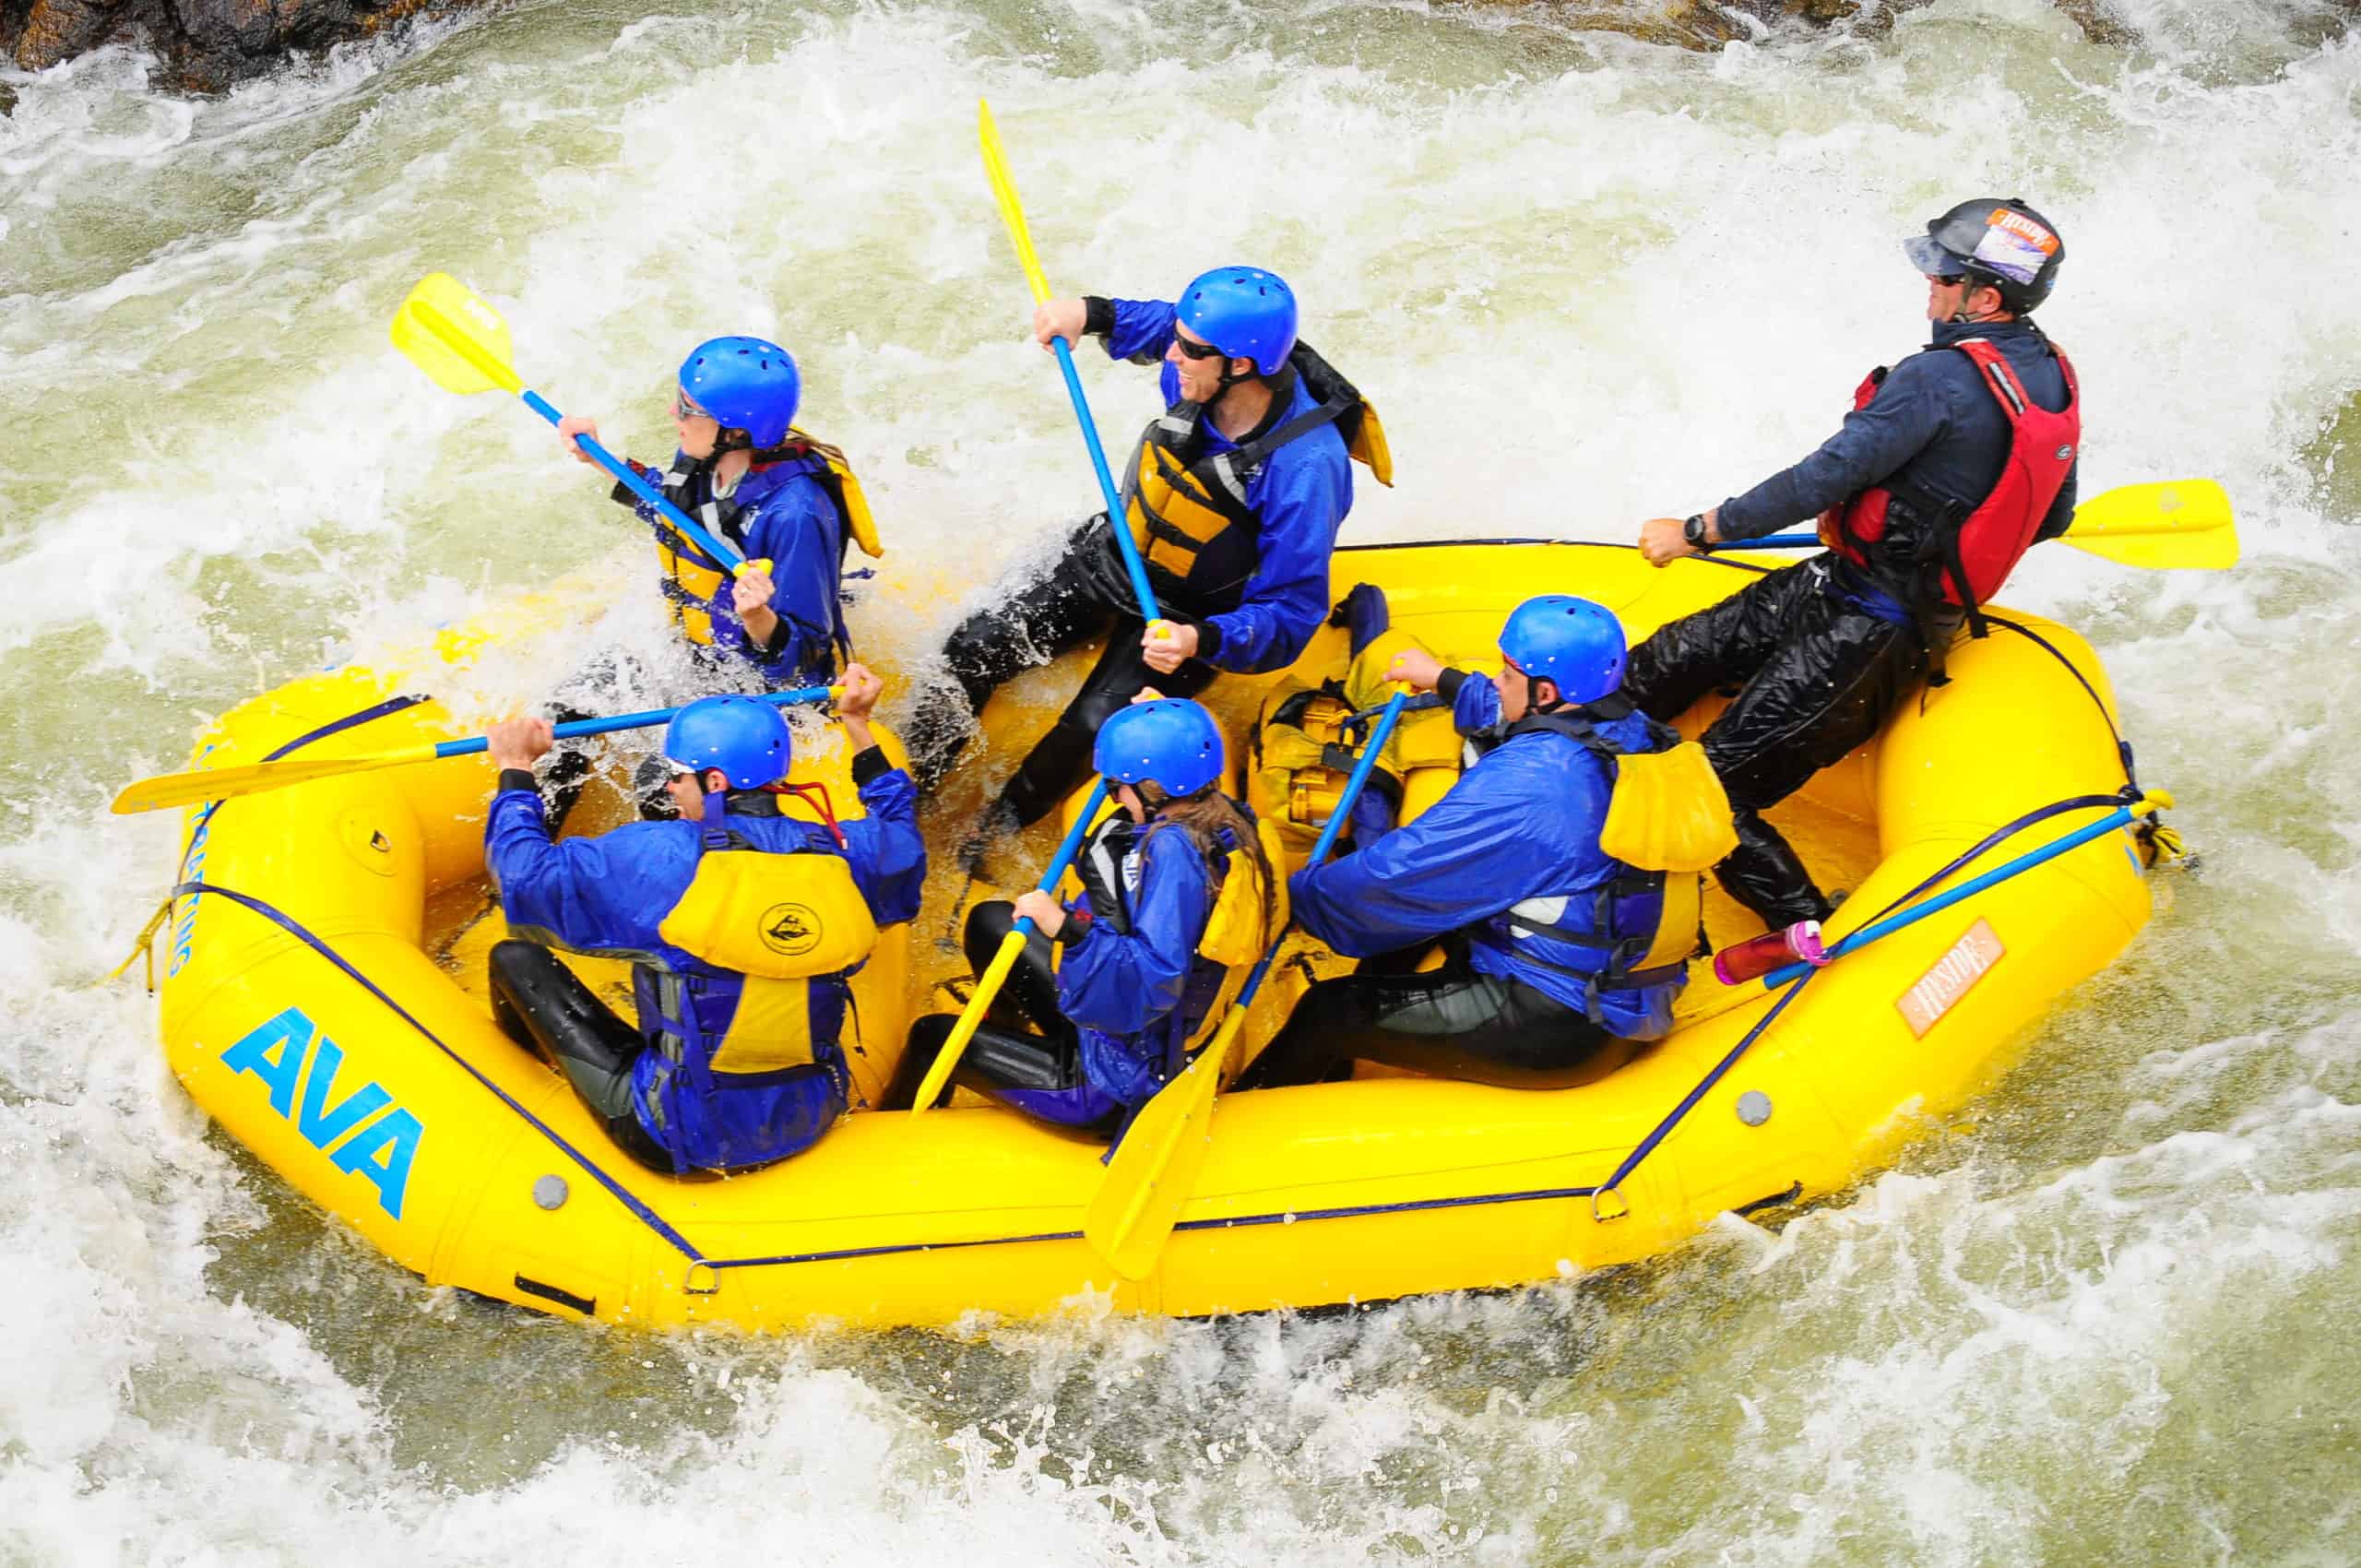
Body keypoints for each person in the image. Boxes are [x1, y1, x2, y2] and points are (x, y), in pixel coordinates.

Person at [1624, 196, 2079, 929]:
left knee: (1710, 793)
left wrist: (1700, 531)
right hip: (1850, 589)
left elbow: (1822, 478)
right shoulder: (2050, 376)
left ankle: (1808, 928)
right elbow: (2052, 515)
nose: (1928, 288)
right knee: (1658, 666)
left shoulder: (1936, 380)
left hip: (1869, 634)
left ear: (1984, 297)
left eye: (1942, 277)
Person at [906, 266, 1390, 849]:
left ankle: (991, 834)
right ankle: (909, 794)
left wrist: (1199, 642)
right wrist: (1092, 313)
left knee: (1093, 728)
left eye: (1187, 350)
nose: (1171, 355)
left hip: (1193, 616)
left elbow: (1290, 611)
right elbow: (1166, 324)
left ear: (1240, 366)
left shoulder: (1305, 470)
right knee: (971, 648)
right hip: (1117, 557)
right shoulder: (1205, 363)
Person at [1235, 597, 1705, 1092]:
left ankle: (1249, 1110)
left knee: (1329, 1012)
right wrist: (1441, 678)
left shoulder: (1532, 785)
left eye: (1505, 674)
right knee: (1418, 930)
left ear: (1545, 691)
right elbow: (1519, 714)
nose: (1497, 684)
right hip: (1623, 989)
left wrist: (1290, 897)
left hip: (1562, 1022)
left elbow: (1396, 880)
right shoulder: (1634, 732)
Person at [481, 672, 923, 1174]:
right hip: (809, 1115)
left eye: (678, 775)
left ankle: (520, 1105)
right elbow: (901, 837)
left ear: (715, 782)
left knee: (517, 960)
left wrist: (515, 769)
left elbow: (522, 879)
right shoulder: (851, 852)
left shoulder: (664, 857)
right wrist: (859, 725)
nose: (669, 787)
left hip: (681, 1133)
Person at [890, 698, 1279, 1136]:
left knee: (933, 1037)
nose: (1112, 795)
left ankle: (888, 1140)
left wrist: (1065, 928)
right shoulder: (1218, 814)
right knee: (991, 924)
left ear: (1155, 787)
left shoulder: (1174, 853)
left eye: (1118, 786)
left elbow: (1152, 980)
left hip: (1119, 1079)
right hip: (1108, 1020)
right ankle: (1011, 1040)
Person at [556, 336, 882, 689]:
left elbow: (804, 660)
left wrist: (757, 617)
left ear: (736, 432)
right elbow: (674, 510)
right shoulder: (709, 458)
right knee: (577, 698)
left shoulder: (795, 516)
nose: (672, 413)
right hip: (699, 660)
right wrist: (599, 457)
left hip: (765, 695)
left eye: (686, 407)